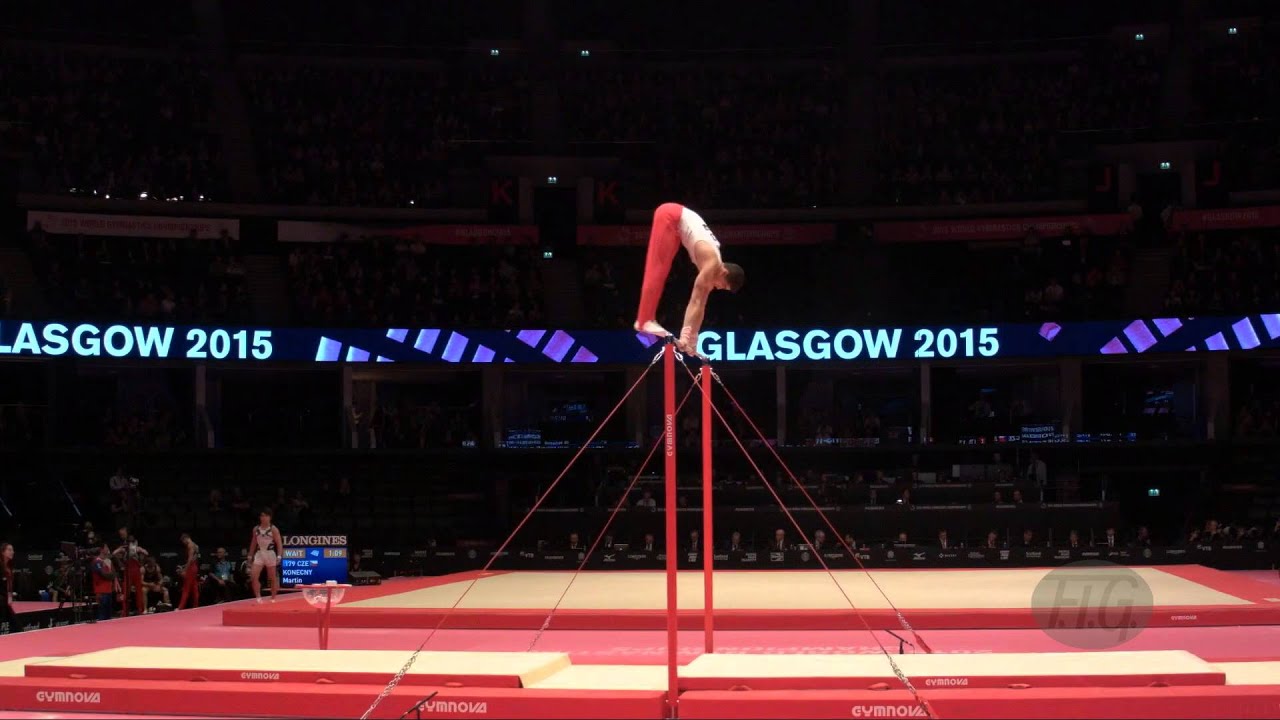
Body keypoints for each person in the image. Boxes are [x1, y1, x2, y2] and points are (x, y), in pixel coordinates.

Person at [633, 202, 745, 355]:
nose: (718, 288)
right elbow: (695, 301)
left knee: (663, 268)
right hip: (670, 215)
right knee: (658, 269)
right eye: (723, 286)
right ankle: (645, 319)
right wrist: (685, 336)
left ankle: (646, 319)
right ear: (724, 272)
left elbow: (700, 306)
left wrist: (692, 340)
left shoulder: (713, 267)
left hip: (676, 227)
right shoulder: (712, 264)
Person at [248, 509, 284, 604]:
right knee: (253, 576)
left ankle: (273, 598)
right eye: (262, 516)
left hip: (270, 554)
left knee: (272, 578)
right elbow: (253, 543)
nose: (263, 518)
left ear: (270, 517)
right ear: (260, 517)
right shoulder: (256, 529)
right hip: (259, 554)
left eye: (266, 516)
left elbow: (279, 543)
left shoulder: (273, 529)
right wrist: (249, 556)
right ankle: (258, 597)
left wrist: (279, 556)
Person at [112, 533, 149, 617]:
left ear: (135, 542)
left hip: (136, 571)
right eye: (130, 542)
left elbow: (146, 553)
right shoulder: (124, 549)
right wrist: (120, 563)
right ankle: (125, 612)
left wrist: (142, 563)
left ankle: (140, 610)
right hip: (128, 571)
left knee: (138, 592)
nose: (132, 544)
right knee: (126, 592)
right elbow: (114, 553)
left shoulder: (137, 548)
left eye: (133, 542)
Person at [90, 545, 117, 621]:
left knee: (108, 616)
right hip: (101, 591)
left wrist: (110, 575)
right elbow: (103, 574)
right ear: (101, 550)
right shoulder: (96, 561)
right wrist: (110, 575)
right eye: (106, 548)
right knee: (102, 615)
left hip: (109, 590)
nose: (108, 549)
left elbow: (114, 574)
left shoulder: (108, 561)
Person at [176, 533, 201, 610]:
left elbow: (190, 559)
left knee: (186, 588)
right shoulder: (196, 545)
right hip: (194, 567)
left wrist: (184, 570)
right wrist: (183, 566)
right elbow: (193, 559)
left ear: (186, 538)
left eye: (183, 541)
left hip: (191, 568)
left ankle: (180, 607)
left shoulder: (190, 545)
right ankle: (196, 606)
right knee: (194, 587)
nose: (183, 543)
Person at [0, 543, 17, 632]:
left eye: (13, 550)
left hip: (5, 599)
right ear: (3, 552)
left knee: (15, 624)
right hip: (1, 600)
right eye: (9, 550)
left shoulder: (9, 567)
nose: (12, 552)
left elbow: (9, 585)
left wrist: (10, 596)